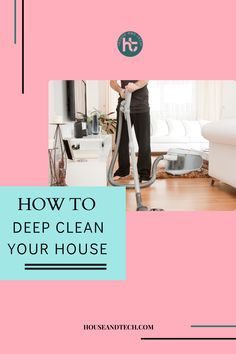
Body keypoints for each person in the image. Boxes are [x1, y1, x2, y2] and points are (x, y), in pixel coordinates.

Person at [110, 80, 151, 182]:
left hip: (141, 107)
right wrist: (120, 90)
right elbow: (112, 82)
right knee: (121, 141)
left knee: (144, 142)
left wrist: (136, 86)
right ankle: (123, 170)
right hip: (124, 106)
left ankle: (144, 174)